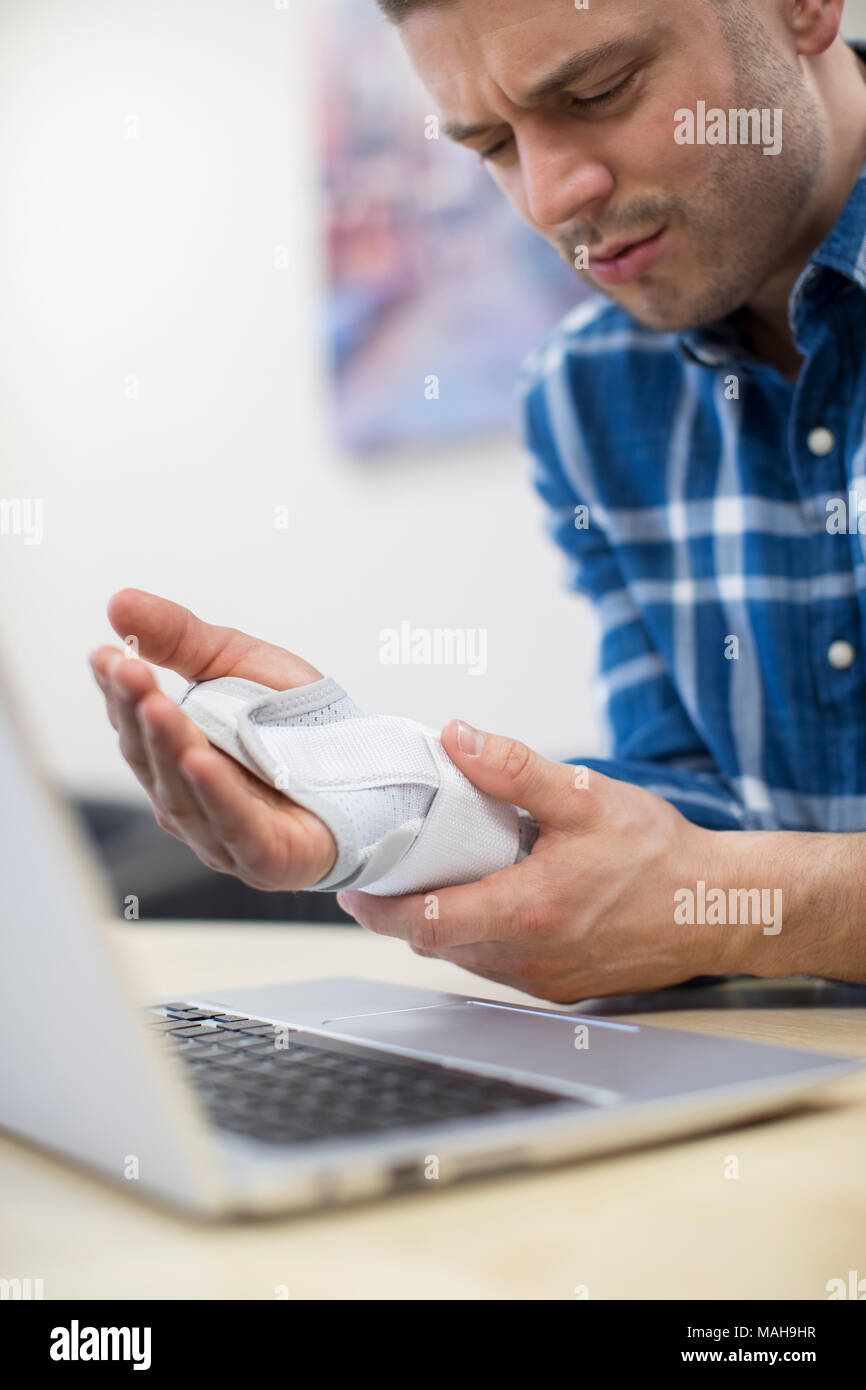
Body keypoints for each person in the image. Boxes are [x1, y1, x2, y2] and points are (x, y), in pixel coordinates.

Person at [91, 0, 866, 1002]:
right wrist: (381, 802)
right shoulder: (583, 397)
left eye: (599, 90)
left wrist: (729, 896)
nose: (550, 197)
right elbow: (698, 814)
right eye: (492, 145)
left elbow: (711, 879)